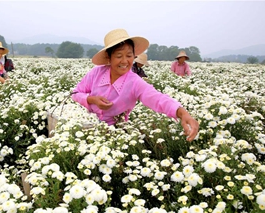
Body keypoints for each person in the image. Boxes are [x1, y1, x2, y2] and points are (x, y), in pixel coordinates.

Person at [71, 29, 199, 141]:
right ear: (108, 57)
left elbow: (157, 98)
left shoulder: (135, 82)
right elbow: (75, 93)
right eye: (119, 56)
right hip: (86, 127)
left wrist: (182, 113)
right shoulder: (96, 73)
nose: (125, 61)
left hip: (115, 134)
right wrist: (92, 99)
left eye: (129, 55)